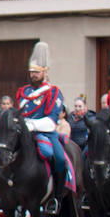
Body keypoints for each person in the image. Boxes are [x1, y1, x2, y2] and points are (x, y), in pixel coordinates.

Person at [16, 41, 74, 194]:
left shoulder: (53, 92)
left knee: (59, 159)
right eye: (31, 72)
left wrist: (32, 125)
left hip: (46, 133)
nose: (33, 75)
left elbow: (51, 122)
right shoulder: (24, 92)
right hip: (24, 133)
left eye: (37, 72)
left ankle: (57, 195)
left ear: (45, 73)